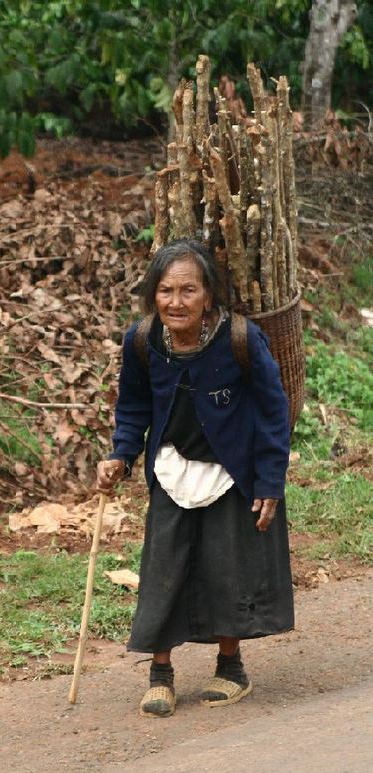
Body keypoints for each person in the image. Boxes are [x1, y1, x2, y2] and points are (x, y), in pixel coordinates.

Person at [96, 238, 294, 718]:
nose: (175, 301)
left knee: (227, 569)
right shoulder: (143, 340)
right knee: (163, 567)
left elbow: (273, 411)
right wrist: (121, 454)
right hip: (172, 468)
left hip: (232, 472)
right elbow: (133, 406)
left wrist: (269, 481)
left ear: (208, 296)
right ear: (152, 295)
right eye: (165, 290)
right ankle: (160, 675)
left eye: (188, 290)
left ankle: (231, 668)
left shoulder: (240, 339)